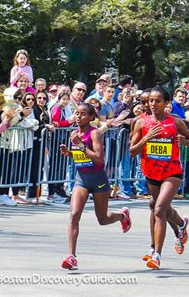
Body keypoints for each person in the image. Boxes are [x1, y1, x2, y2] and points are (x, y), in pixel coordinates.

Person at [59, 103, 131, 270]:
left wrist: (81, 146)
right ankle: (72, 257)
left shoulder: (95, 134)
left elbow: (99, 160)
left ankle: (122, 216)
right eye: (77, 113)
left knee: (103, 219)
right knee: (74, 215)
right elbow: (81, 157)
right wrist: (69, 153)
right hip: (81, 179)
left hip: (98, 179)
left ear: (91, 117)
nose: (78, 116)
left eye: (83, 114)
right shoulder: (74, 133)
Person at [130, 86, 189, 270]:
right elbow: (132, 152)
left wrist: (185, 142)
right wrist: (146, 139)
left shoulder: (175, 123)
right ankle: (181, 225)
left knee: (158, 209)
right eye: (151, 101)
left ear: (167, 104)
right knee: (157, 208)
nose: (153, 104)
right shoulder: (141, 124)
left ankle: (156, 255)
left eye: (157, 101)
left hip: (172, 172)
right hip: (151, 173)